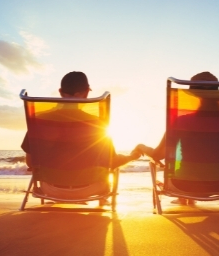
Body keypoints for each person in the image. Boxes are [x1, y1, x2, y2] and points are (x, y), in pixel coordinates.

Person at [21, 71, 141, 202]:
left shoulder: (40, 121)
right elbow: (111, 162)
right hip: (92, 189)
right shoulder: (97, 124)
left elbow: (30, 162)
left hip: (49, 189)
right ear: (86, 93)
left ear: (60, 92)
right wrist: (132, 156)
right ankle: (102, 201)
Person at [134, 71, 219, 205]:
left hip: (182, 185)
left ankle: (185, 197)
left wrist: (141, 147)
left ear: (194, 95)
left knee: (183, 168)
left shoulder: (182, 121)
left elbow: (158, 155)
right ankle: (188, 198)